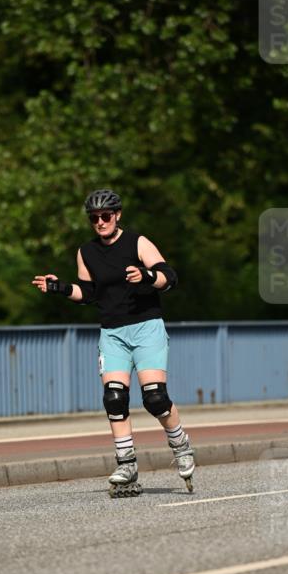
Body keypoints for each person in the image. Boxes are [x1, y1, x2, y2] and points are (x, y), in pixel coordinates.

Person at [32, 189, 195, 496]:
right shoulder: (86, 252)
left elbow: (169, 277)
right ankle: (127, 463)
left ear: (118, 215)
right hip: (112, 333)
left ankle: (180, 444)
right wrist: (60, 287)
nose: (100, 222)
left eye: (106, 216)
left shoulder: (137, 242)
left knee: (155, 398)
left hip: (146, 327)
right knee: (114, 398)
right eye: (94, 218)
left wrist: (146, 276)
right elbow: (89, 294)